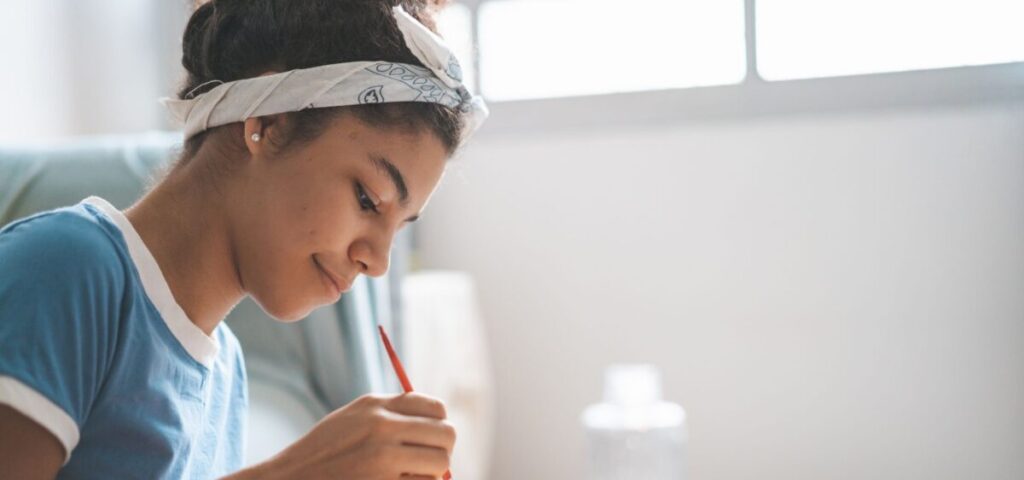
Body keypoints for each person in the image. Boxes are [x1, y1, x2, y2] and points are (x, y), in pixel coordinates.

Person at [0, 0, 487, 478]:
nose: (377, 261)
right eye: (368, 198)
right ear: (267, 124)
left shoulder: (225, 375)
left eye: (400, 227)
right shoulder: (64, 268)